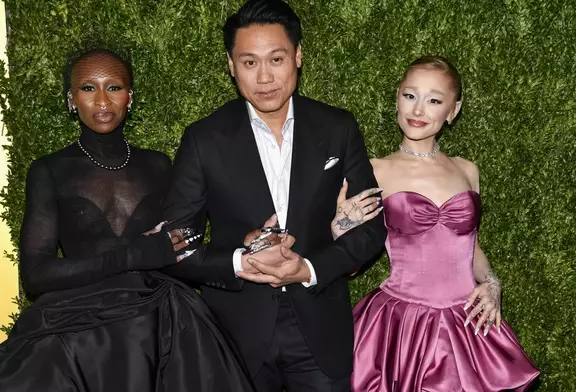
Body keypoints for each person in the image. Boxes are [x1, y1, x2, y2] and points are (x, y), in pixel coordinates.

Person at [0, 48, 256, 392]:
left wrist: (245, 250)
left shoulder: (159, 166)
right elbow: (35, 276)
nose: (102, 100)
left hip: (161, 319)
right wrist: (133, 255)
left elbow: (183, 246)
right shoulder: (49, 170)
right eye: (88, 88)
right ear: (71, 99)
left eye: (114, 87)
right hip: (79, 324)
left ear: (130, 98)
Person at [162, 1, 387, 391]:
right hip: (235, 336)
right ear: (231, 65)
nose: (264, 76)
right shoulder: (203, 139)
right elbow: (176, 242)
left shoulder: (337, 128)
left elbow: (371, 230)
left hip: (320, 328)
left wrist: (310, 268)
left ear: (298, 56)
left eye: (276, 59)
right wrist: (238, 259)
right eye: (249, 62)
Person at [334, 55, 540, 391]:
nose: (418, 111)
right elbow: (350, 267)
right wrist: (340, 228)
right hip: (402, 326)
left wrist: (491, 282)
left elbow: (470, 247)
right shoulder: (374, 170)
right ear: (397, 97)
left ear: (453, 111)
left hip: (467, 321)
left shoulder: (467, 170)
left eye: (433, 101)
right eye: (410, 96)